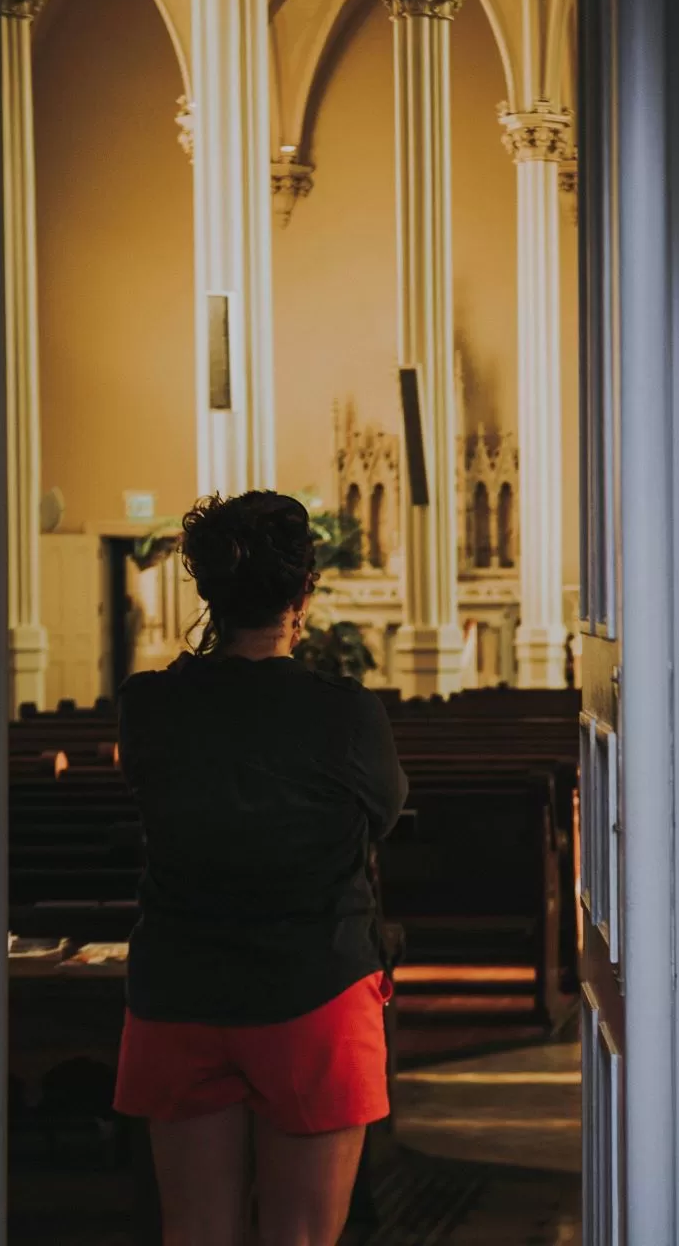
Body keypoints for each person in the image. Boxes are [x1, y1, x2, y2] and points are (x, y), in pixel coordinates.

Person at [113, 491, 407, 1245]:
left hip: (181, 986)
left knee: (195, 1236)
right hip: (315, 986)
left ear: (208, 590)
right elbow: (378, 817)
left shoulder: (149, 705)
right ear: (303, 593)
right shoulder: (345, 715)